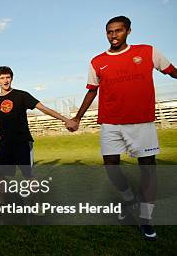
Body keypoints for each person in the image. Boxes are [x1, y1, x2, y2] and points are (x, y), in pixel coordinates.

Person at [71, 16, 176, 241]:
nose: (114, 35)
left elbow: (172, 71)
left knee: (148, 168)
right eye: (109, 32)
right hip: (110, 123)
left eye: (118, 31)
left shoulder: (148, 51)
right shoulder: (97, 61)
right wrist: (77, 118)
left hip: (142, 122)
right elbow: (92, 91)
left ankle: (146, 220)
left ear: (128, 31)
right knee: (111, 166)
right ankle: (129, 199)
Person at [0, 66, 77, 205]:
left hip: (23, 142)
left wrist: (66, 120)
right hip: (5, 144)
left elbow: (44, 109)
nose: (6, 80)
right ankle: (1, 204)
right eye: (2, 78)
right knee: (0, 175)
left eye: (8, 77)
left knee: (28, 175)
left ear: (12, 78)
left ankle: (38, 204)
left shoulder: (22, 95)